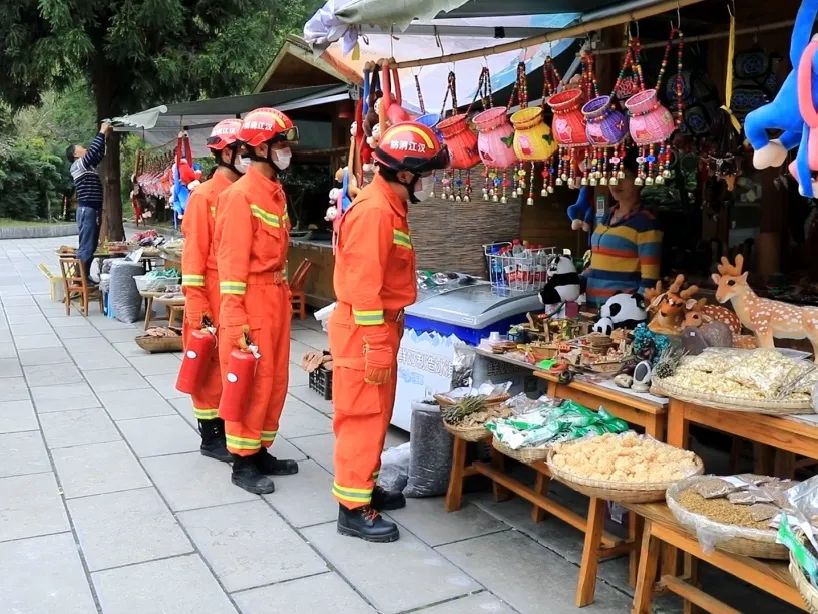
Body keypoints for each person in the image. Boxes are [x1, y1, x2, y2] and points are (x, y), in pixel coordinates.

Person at [329, 121, 449, 542]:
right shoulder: (376, 212)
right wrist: (376, 343)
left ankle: (365, 485)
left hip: (377, 328)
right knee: (361, 415)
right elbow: (362, 288)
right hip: (366, 330)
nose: (430, 183)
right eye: (427, 175)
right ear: (404, 174)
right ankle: (352, 508)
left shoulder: (389, 207)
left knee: (377, 413)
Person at [213, 107, 299, 494]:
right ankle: (241, 461)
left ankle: (260, 448)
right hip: (250, 298)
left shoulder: (274, 193)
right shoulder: (239, 196)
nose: (286, 150)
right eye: (280, 143)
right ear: (261, 147)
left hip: (276, 295)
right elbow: (230, 264)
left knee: (276, 378)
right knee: (252, 380)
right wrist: (235, 317)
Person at [180, 119, 246, 463]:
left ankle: (231, 430)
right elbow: (193, 255)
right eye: (242, 150)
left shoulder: (246, 192)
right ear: (225, 153)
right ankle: (211, 438)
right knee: (208, 372)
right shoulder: (205, 196)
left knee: (231, 367)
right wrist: (196, 301)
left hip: (235, 294)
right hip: (210, 293)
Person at [585, 151, 663, 308]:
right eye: (612, 176)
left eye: (624, 176)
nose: (615, 183)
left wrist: (634, 309)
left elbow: (649, 278)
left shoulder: (645, 222)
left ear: (639, 180)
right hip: (593, 307)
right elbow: (597, 264)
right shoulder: (607, 214)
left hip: (621, 313)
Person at [66, 122, 112, 281]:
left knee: (91, 245)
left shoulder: (88, 166)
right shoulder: (77, 165)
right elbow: (93, 153)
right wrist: (101, 131)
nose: (84, 148)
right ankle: (81, 278)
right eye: (80, 147)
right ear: (75, 154)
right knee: (86, 245)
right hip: (87, 210)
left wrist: (104, 137)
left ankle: (84, 276)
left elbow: (98, 154)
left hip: (93, 209)